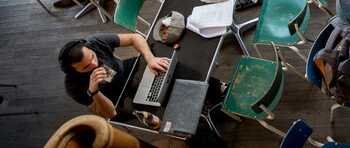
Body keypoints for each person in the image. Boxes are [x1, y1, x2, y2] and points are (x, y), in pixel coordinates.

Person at [58, 33, 228, 119]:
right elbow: (109, 114)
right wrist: (94, 91)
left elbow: (134, 37)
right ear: (74, 71)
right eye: (86, 67)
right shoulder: (74, 87)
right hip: (118, 101)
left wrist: (150, 58)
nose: (95, 65)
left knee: (169, 67)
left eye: (93, 57)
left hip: (126, 70)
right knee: (170, 110)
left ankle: (219, 89)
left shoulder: (94, 42)